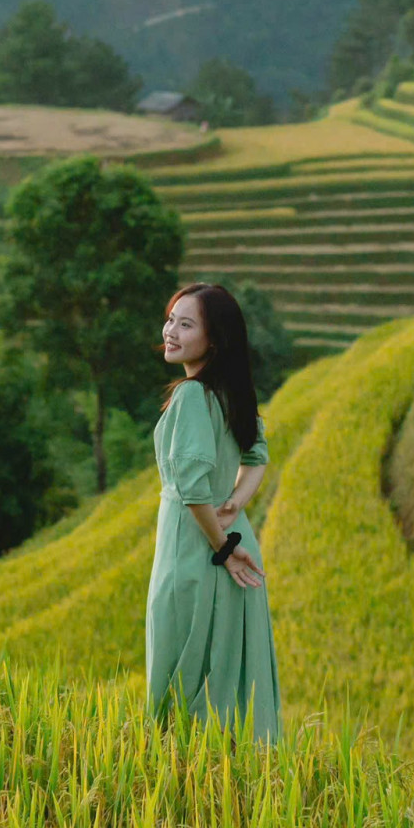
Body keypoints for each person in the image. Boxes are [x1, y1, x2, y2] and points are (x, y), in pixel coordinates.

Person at [146, 282, 283, 744]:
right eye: (171, 319)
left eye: (186, 324)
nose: (170, 331)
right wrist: (236, 507)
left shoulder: (190, 396)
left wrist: (222, 545)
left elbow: (191, 491)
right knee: (224, 681)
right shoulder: (233, 395)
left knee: (175, 675)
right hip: (230, 544)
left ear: (214, 340)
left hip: (195, 549)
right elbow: (256, 458)